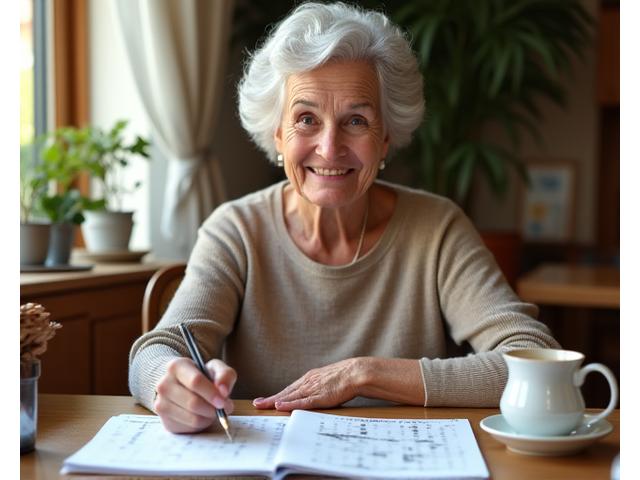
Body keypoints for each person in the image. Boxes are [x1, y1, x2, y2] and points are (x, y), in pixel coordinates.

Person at [129, 1, 560, 434]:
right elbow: (157, 352)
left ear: (386, 137)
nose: (330, 148)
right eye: (306, 119)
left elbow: (530, 354)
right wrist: (170, 383)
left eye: (356, 120)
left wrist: (363, 374)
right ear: (278, 134)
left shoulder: (437, 229)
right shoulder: (236, 230)